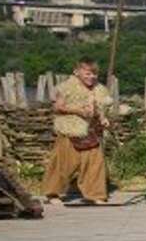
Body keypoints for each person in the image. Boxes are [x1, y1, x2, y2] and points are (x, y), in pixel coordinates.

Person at [42, 59, 112, 204]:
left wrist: (103, 119)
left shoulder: (100, 89)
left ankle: (95, 195)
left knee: (94, 165)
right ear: (77, 72)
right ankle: (53, 194)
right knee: (64, 163)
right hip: (71, 130)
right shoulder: (67, 87)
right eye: (87, 74)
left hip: (92, 132)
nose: (91, 77)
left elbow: (100, 110)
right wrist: (77, 111)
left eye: (94, 74)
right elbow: (57, 107)